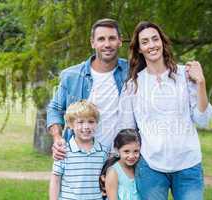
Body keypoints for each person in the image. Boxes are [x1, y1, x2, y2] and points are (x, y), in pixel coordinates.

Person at [119, 21, 212, 200]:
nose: (151, 45)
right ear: (139, 49)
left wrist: (201, 82)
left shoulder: (185, 76)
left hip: (188, 165)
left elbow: (204, 119)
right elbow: (127, 131)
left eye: (155, 39)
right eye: (145, 42)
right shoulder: (132, 86)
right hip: (150, 167)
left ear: (162, 42)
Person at [47, 18, 128, 160]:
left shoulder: (131, 71)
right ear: (93, 43)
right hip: (79, 157)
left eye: (112, 38)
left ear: (120, 41)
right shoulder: (71, 76)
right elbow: (55, 108)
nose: (107, 44)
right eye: (101, 39)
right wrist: (57, 137)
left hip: (117, 158)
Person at [49, 100, 109, 200]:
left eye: (91, 122)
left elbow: (106, 182)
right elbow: (55, 180)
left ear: (96, 123)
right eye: (80, 122)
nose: (86, 127)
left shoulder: (104, 152)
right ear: (71, 125)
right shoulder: (62, 151)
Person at [99, 129, 141, 200]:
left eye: (136, 151)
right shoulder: (113, 172)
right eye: (126, 151)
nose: (131, 156)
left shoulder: (138, 167)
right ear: (117, 150)